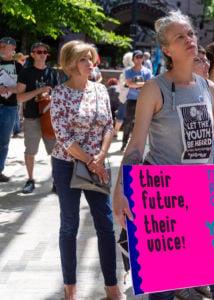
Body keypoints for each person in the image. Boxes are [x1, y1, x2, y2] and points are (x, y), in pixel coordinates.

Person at [113, 11, 214, 300]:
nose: (189, 39)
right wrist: (121, 190)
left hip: (206, 193)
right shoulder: (154, 89)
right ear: (166, 49)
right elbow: (136, 145)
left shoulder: (209, 88)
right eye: (180, 37)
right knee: (162, 291)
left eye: (190, 34)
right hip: (163, 199)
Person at [50, 40, 125, 300]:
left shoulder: (101, 90)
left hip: (97, 162)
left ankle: (111, 285)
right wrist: (90, 161)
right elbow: (63, 137)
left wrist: (101, 156)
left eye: (91, 58)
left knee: (105, 223)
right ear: (71, 64)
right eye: (84, 59)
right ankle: (70, 287)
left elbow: (108, 125)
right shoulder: (59, 93)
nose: (90, 63)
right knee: (69, 225)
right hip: (67, 164)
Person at [16, 42, 59, 194]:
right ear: (33, 54)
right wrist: (38, 91)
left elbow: (58, 94)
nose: (42, 54)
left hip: (49, 117)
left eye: (45, 52)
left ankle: (56, 181)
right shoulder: (26, 73)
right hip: (32, 117)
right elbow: (19, 97)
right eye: (39, 51)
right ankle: (30, 179)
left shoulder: (53, 73)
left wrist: (50, 96)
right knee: (30, 150)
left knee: (55, 151)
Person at [120, 49, 153, 151]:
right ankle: (124, 143)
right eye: (137, 57)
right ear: (133, 59)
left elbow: (148, 84)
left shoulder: (147, 71)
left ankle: (139, 145)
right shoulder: (129, 71)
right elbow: (130, 84)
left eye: (141, 57)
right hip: (132, 99)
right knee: (128, 122)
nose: (139, 59)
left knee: (142, 122)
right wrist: (142, 84)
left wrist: (136, 85)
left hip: (143, 100)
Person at [0, 37, 22, 182]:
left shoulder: (19, 67)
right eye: (0, 46)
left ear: (12, 48)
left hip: (10, 107)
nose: (1, 48)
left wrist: (9, 89)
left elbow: (22, 88)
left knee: (3, 141)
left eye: (3, 46)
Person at [114, 52, 133, 138]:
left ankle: (116, 132)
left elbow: (121, 84)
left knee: (120, 114)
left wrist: (119, 93)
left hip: (124, 95)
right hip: (134, 95)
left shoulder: (125, 71)